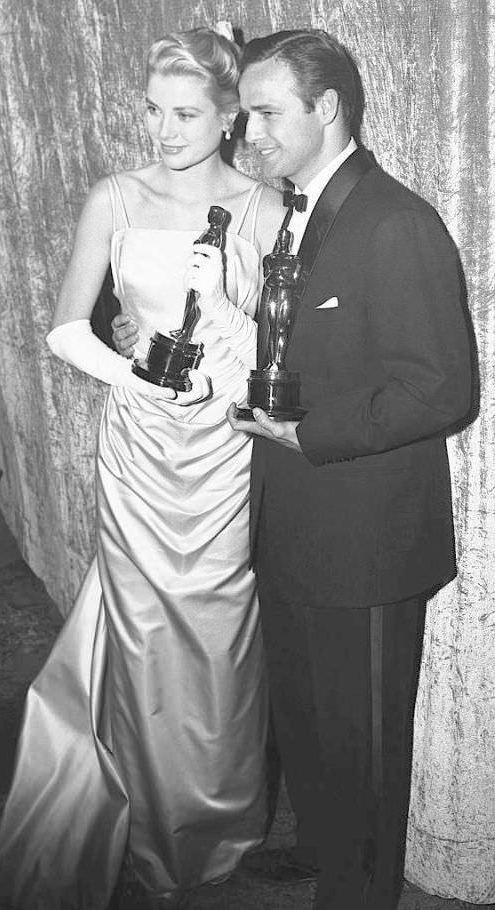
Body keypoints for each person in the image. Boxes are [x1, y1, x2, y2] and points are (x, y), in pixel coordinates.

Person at [0, 26, 283, 910]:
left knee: (223, 634)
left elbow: (278, 347)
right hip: (141, 446)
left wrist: (223, 347)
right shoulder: (115, 195)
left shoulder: (268, 206)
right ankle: (151, 824)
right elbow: (67, 327)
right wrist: (138, 379)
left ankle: (223, 821)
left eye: (184, 113)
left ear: (230, 115)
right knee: (148, 630)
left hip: (227, 449)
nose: (162, 129)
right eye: (153, 110)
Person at [220, 28, 471, 910]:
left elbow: (443, 390)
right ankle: (328, 850)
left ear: (328, 109)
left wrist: (309, 434)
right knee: (308, 718)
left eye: (264, 111)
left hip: (364, 542)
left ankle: (359, 892)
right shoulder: (296, 207)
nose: (244, 130)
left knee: (360, 736)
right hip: (293, 524)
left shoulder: (396, 221)